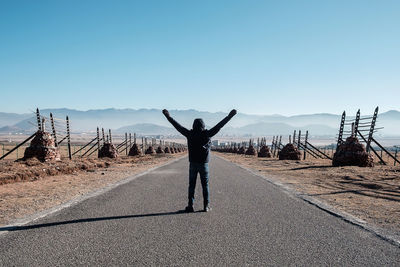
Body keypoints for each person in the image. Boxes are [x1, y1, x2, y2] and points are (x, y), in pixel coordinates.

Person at [162, 109, 237, 212]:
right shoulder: (207, 134)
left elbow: (177, 126)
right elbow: (219, 125)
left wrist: (168, 116)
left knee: (191, 185)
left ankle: (190, 205)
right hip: (204, 164)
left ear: (193, 125)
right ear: (203, 125)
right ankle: (206, 206)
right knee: (205, 185)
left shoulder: (189, 134)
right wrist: (230, 116)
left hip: (193, 163)